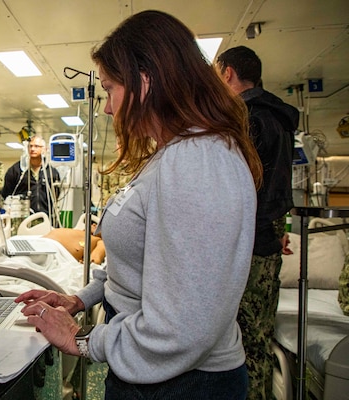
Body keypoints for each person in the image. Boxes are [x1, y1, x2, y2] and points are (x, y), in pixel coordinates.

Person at [15, 10, 263, 399]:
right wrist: (80, 299)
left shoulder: (197, 161)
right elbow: (141, 267)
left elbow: (183, 328)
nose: (107, 108)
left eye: (110, 89)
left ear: (144, 82)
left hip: (182, 382)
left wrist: (83, 340)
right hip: (152, 365)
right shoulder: (174, 155)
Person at [216, 45, 300, 400]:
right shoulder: (280, 119)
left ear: (228, 74)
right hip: (268, 239)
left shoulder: (245, 119)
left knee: (243, 341)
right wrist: (277, 229)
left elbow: (238, 188)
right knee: (261, 334)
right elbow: (277, 186)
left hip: (248, 244)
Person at [1, 136, 60, 224]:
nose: (32, 149)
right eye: (30, 146)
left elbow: (56, 195)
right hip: (21, 220)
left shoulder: (51, 172)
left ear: (44, 149)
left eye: (36, 146)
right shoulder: (16, 170)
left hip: (45, 219)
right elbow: (6, 194)